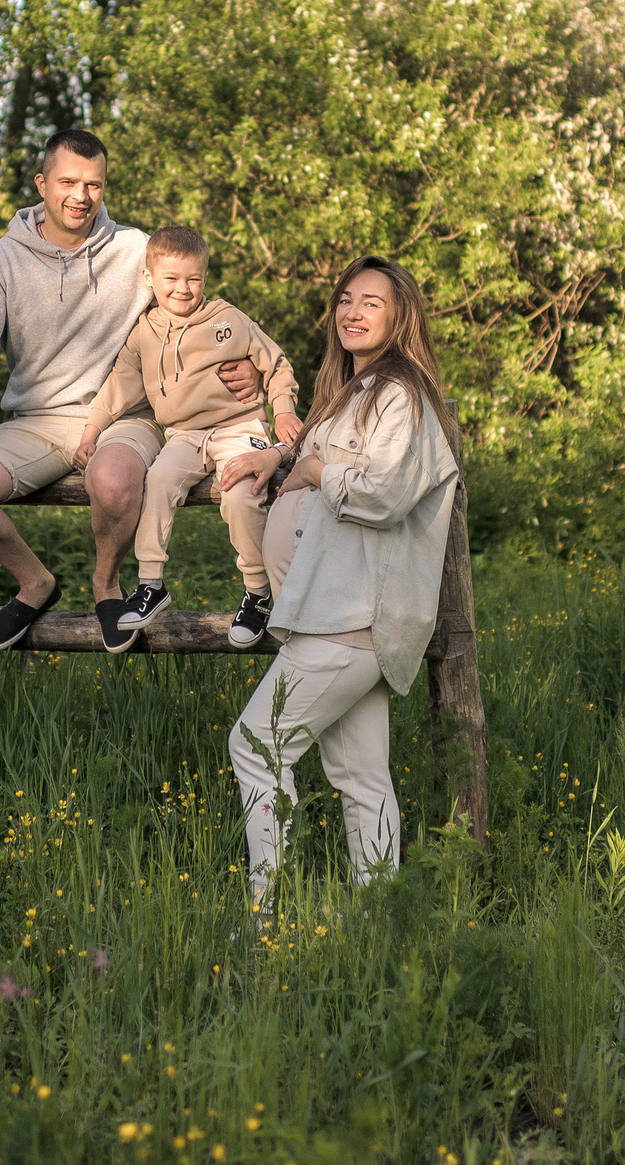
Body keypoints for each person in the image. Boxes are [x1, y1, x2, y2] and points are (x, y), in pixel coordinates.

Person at [0, 128, 259, 652]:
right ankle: (35, 583)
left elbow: (192, 307)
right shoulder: (4, 260)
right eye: (68, 182)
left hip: (125, 416)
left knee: (113, 481)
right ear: (42, 184)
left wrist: (247, 366)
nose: (81, 196)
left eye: (94, 184)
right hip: (37, 420)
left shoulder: (133, 250)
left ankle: (106, 583)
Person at [215, 256, 459, 918]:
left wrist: (314, 472)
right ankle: (379, 920)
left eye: (371, 302)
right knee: (360, 776)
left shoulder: (400, 395)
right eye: (346, 299)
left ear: (400, 315)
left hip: (351, 615)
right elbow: (315, 458)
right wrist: (282, 457)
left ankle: (264, 914)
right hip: (333, 613)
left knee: (255, 745)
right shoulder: (355, 390)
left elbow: (383, 493)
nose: (353, 311)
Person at [74, 225, 304, 648]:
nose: (183, 289)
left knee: (241, 491)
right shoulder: (144, 332)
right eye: (171, 279)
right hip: (183, 434)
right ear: (149, 278)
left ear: (205, 277)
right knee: (158, 480)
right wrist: (91, 433)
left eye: (193, 279)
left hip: (238, 427)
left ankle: (258, 593)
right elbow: (118, 385)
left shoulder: (228, 319)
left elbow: (275, 363)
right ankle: (150, 583)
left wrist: (284, 407)